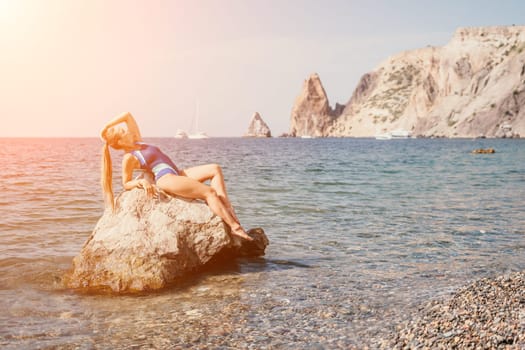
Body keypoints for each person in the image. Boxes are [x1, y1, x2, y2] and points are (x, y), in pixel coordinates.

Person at [100, 112, 253, 241]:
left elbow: (127, 115)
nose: (128, 132)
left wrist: (106, 127)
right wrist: (141, 184)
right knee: (209, 193)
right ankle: (234, 227)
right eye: (123, 132)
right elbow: (126, 183)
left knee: (215, 168)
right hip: (166, 179)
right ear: (120, 141)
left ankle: (227, 208)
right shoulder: (129, 157)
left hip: (178, 172)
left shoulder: (138, 140)